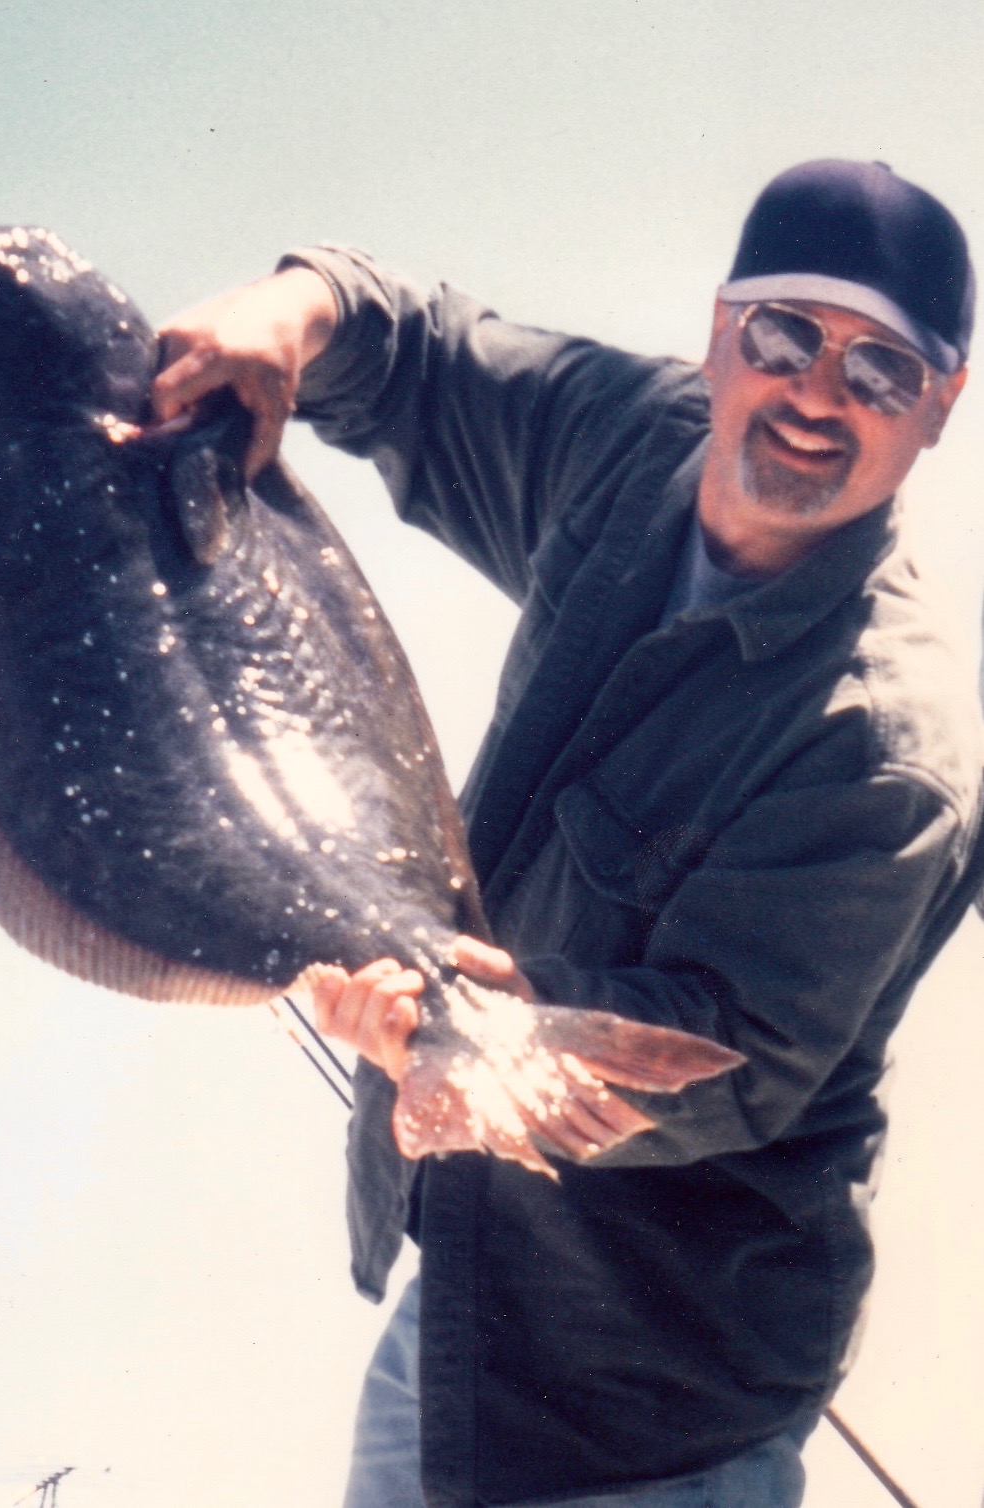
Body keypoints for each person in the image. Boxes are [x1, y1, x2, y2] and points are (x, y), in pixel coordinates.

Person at [150, 161, 981, 1507]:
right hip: (463, 1329)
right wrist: (284, 316)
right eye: (785, 337)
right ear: (721, 334)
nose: (817, 395)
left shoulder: (886, 734)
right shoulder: (624, 443)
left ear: (939, 407)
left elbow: (723, 1054)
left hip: (662, 1416)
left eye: (882, 371)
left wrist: (431, 1032)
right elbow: (406, 347)